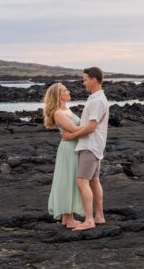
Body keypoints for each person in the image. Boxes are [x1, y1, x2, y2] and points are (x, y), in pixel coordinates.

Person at [60, 67, 109, 232]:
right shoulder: (96, 98)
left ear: (94, 79)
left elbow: (91, 126)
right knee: (94, 181)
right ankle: (99, 216)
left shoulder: (97, 100)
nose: (84, 83)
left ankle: (89, 220)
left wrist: (72, 136)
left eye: (85, 79)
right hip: (95, 145)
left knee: (82, 181)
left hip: (90, 145)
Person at [42, 82, 85, 228]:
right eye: (65, 90)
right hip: (68, 148)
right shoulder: (58, 113)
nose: (69, 92)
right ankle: (69, 218)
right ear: (59, 95)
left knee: (71, 180)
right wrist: (93, 125)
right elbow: (74, 129)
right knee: (68, 181)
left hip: (73, 146)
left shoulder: (67, 109)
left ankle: (67, 218)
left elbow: (76, 130)